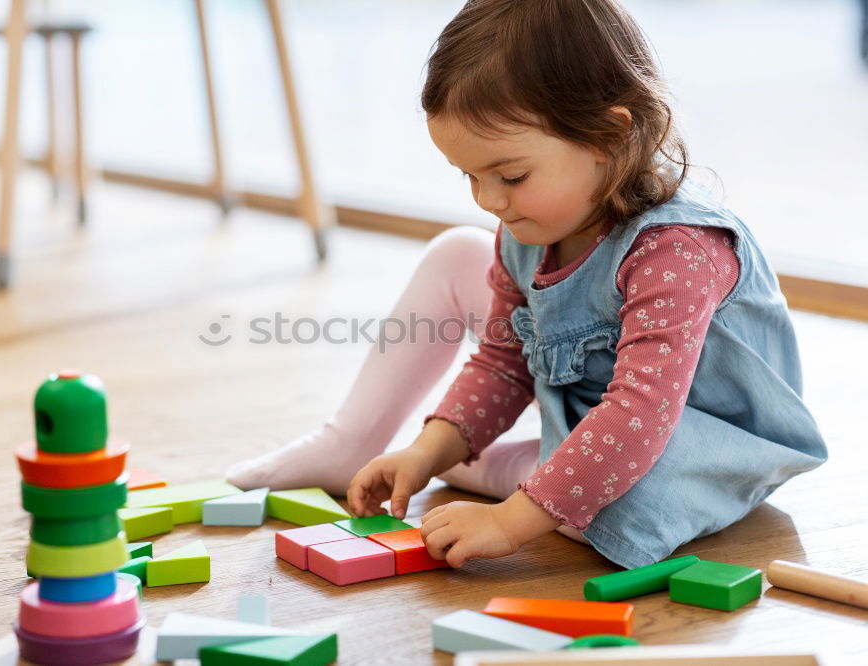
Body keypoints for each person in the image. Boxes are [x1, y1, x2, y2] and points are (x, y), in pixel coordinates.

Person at [226, 0, 827, 570]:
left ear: (609, 137)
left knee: (613, 504)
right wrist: (429, 450)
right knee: (455, 306)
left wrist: (512, 523)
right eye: (469, 175)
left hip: (696, 436)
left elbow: (640, 413)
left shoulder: (679, 248)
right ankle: (382, 444)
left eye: (510, 175)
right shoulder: (530, 223)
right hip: (598, 412)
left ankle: (543, 482)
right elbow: (504, 360)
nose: (489, 200)